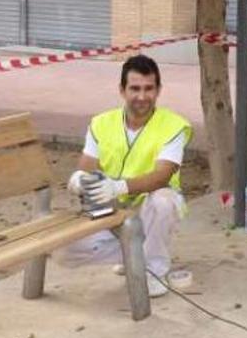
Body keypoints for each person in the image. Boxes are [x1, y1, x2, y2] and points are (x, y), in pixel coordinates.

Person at [58, 55, 192, 298]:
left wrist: (118, 187)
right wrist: (78, 179)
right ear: (122, 90)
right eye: (135, 88)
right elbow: (86, 166)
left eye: (149, 88)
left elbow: (162, 176)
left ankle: (154, 270)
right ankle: (134, 254)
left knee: (163, 201)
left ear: (159, 90)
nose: (142, 96)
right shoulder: (100, 123)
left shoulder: (174, 126)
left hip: (152, 208)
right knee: (65, 252)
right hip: (113, 213)